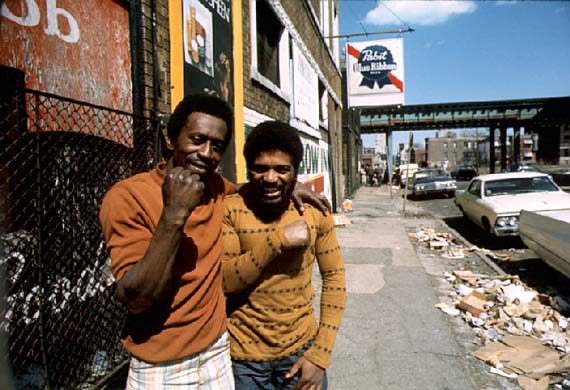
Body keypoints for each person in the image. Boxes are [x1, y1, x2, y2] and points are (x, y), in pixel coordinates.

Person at [99, 94, 329, 388]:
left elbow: (259, 186)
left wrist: (289, 182)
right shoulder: (128, 197)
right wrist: (174, 214)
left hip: (218, 351)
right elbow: (137, 299)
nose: (206, 153)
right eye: (197, 139)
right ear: (171, 139)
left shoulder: (219, 189)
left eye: (217, 146)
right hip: (162, 361)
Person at [221, 121, 346, 390]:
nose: (270, 178)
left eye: (281, 169)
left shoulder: (314, 211)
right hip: (244, 363)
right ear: (248, 168)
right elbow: (226, 281)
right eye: (260, 168)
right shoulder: (231, 208)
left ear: (295, 172)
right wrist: (277, 241)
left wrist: (320, 355)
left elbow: (335, 279)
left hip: (302, 353)